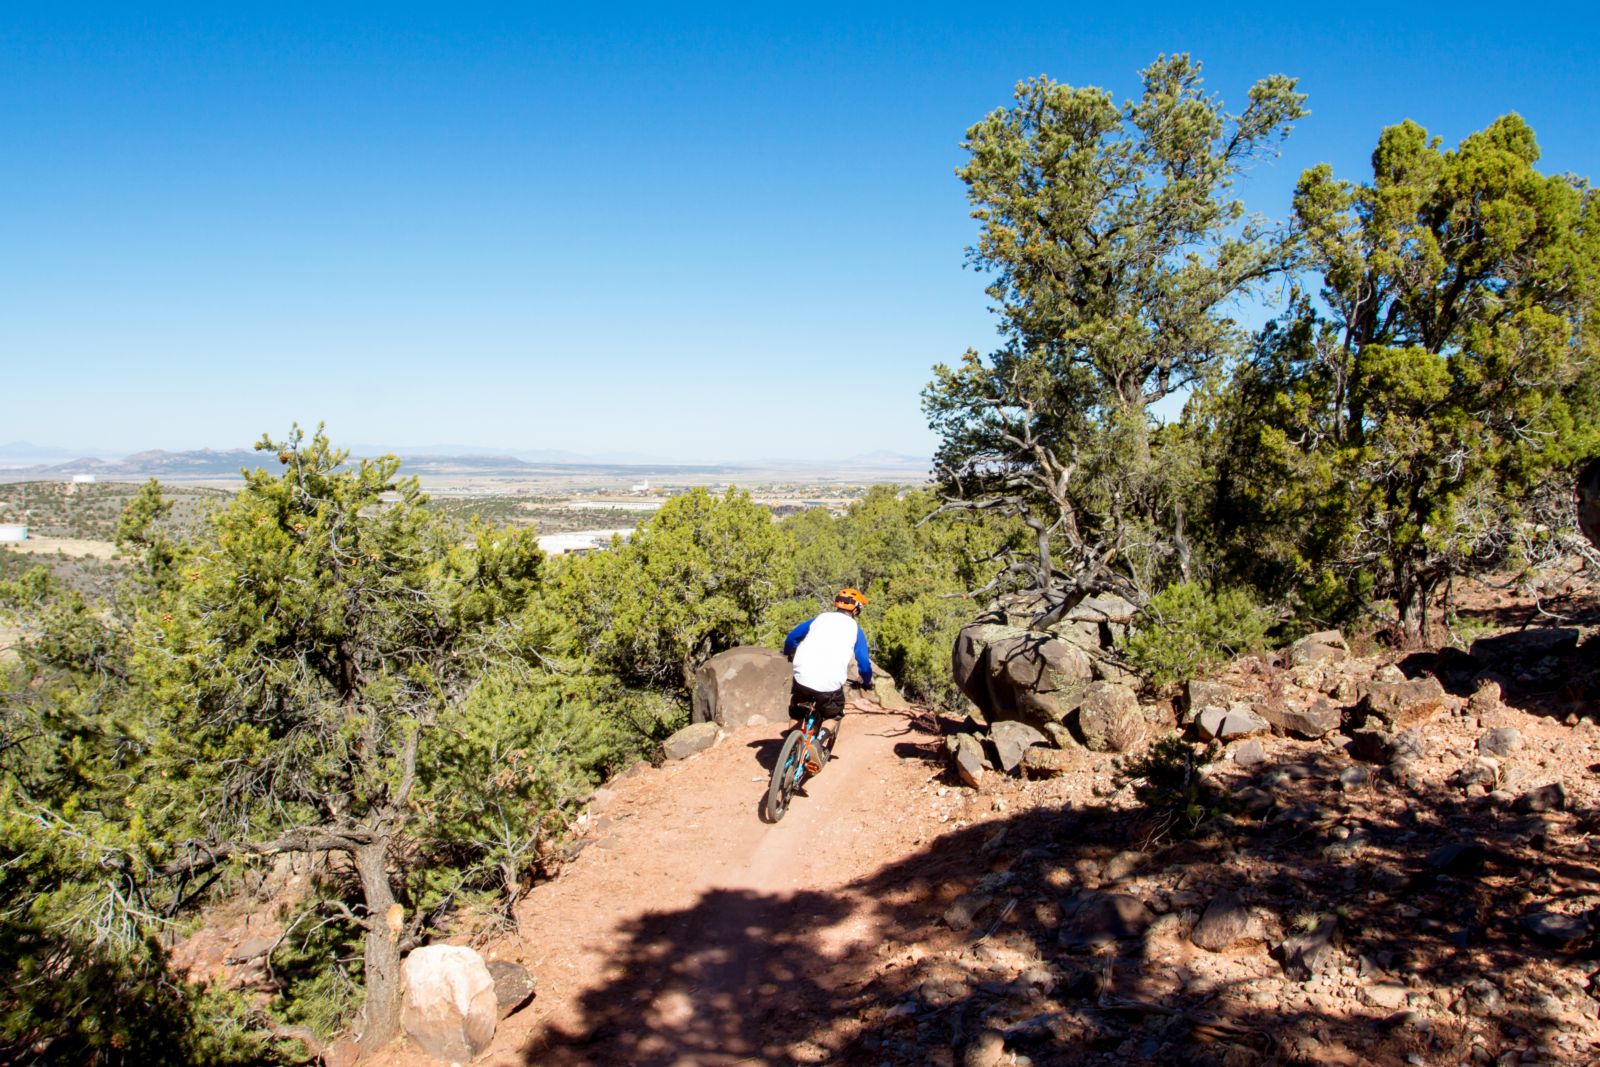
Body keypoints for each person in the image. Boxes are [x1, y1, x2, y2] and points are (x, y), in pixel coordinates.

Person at [782, 587, 872, 769]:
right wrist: (866, 680)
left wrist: (789, 652)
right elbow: (863, 661)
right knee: (835, 715)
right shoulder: (855, 629)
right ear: (855, 610)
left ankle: (790, 750)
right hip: (829, 684)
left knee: (797, 711)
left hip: (802, 675)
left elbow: (792, 637)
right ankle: (817, 743)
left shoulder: (820, 619)